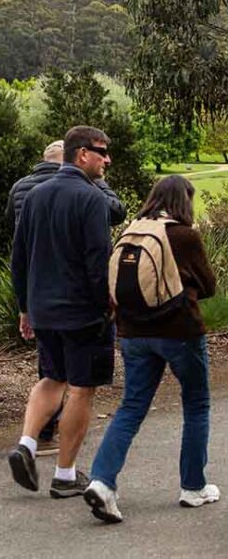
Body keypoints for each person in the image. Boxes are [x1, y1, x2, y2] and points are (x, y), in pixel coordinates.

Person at [84, 175, 218, 523]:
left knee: (131, 406)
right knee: (197, 403)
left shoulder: (131, 232)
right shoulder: (184, 236)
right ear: (183, 201)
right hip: (179, 332)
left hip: (133, 334)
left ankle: (102, 481)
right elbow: (208, 286)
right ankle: (193, 487)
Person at [9, 126, 115, 499]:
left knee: (51, 377)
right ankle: (66, 475)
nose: (107, 159)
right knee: (82, 388)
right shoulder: (92, 200)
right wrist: (106, 306)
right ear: (81, 154)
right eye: (101, 152)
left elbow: (18, 258)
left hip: (42, 307)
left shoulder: (35, 196)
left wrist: (24, 306)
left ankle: (26, 443)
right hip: (82, 312)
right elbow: (97, 263)